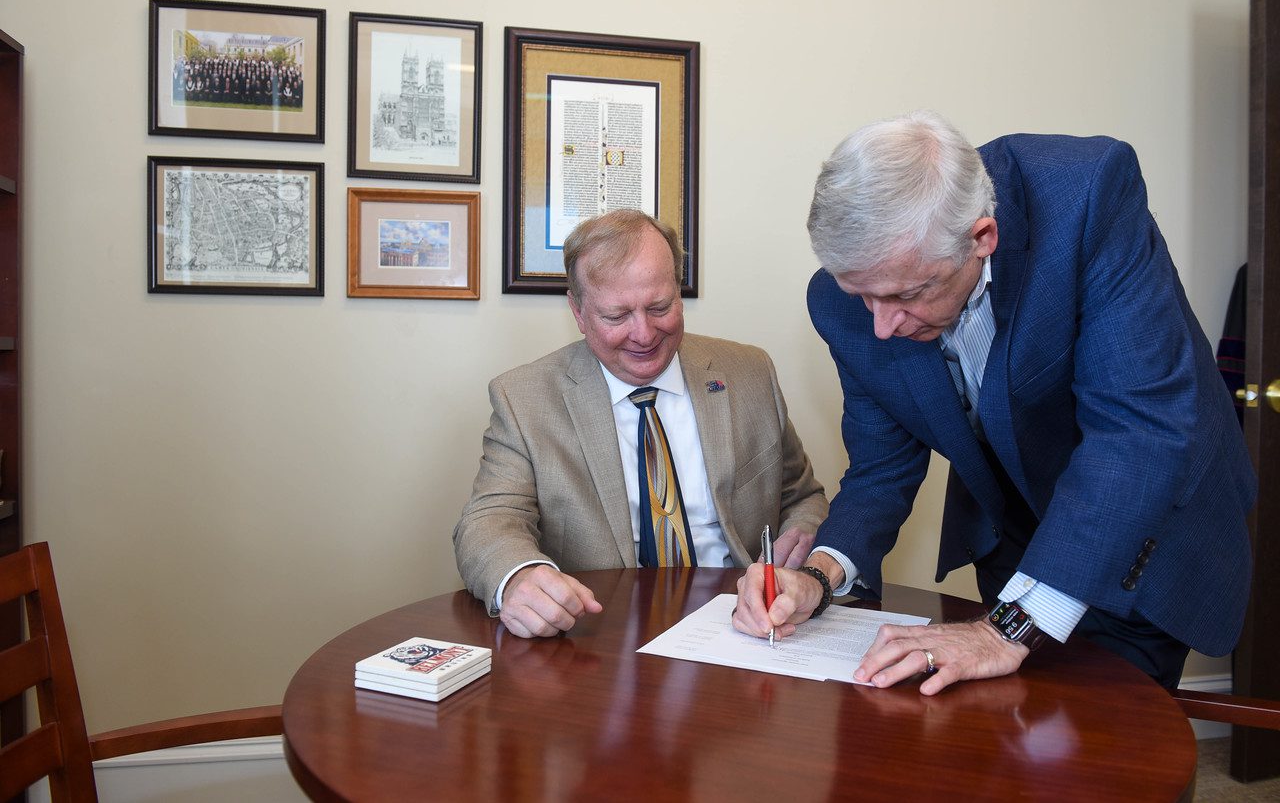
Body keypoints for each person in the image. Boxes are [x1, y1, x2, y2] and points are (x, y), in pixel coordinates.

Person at [732, 110, 1256, 693]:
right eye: (865, 298)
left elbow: (1139, 432)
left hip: (1137, 524)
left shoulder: (1086, 194)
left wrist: (1006, 630)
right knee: (1004, 732)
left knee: (1104, 752)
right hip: (1013, 533)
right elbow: (882, 466)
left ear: (982, 238)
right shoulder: (840, 300)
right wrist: (819, 576)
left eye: (906, 295)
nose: (881, 326)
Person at [455, 209, 828, 638]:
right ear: (578, 312)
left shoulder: (749, 372)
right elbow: (487, 520)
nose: (644, 333)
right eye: (616, 316)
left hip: (745, 625)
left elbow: (801, 495)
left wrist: (802, 534)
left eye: (660, 307)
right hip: (604, 631)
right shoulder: (524, 398)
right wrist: (518, 577)